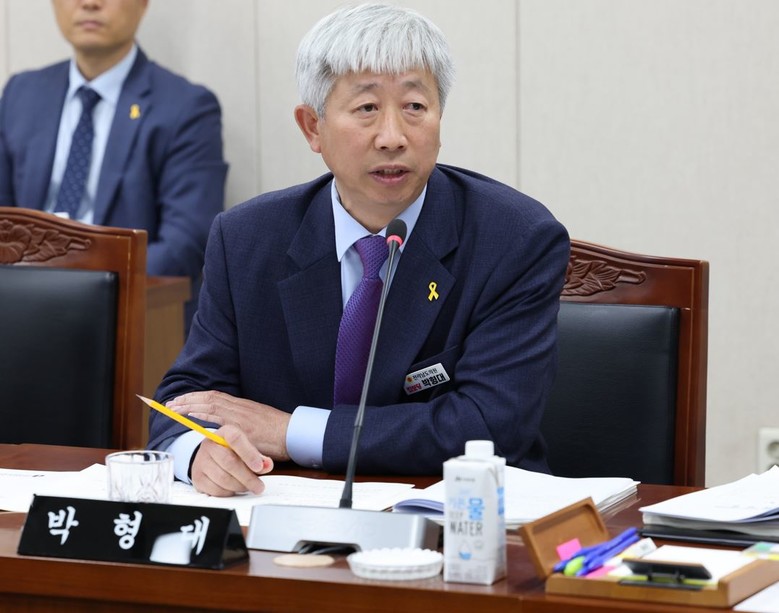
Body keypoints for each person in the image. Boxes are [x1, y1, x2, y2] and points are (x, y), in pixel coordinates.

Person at [148, 2, 570, 497]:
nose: (393, 137)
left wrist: (291, 432)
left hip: (458, 516)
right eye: (367, 108)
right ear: (312, 127)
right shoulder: (246, 239)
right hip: (283, 516)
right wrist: (200, 452)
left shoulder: (515, 239)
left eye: (415, 107)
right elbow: (185, 402)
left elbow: (489, 423)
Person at [0, 0, 227, 327]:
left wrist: (82, 287)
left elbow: (185, 243)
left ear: (142, 4)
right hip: (21, 310)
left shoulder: (186, 107)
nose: (90, 4)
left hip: (127, 315)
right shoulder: (21, 94)